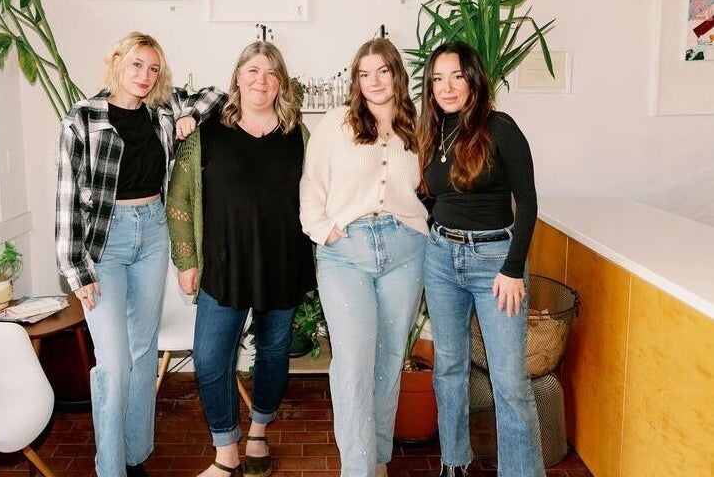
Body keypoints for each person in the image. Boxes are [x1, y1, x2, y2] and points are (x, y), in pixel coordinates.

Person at [55, 31, 224, 477]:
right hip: (103, 243)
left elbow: (217, 95)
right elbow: (68, 196)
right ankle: (110, 468)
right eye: (135, 65)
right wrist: (77, 268)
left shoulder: (163, 110)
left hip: (152, 232)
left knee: (143, 350)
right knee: (113, 362)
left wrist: (190, 118)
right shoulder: (83, 118)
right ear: (117, 63)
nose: (144, 76)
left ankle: (135, 455)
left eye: (153, 68)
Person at [166, 41, 316, 477]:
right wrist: (186, 259)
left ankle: (258, 433)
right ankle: (224, 450)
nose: (261, 80)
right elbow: (178, 198)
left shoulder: (298, 136)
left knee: (271, 352)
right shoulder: (206, 133)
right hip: (223, 264)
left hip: (281, 261)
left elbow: (317, 194)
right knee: (211, 357)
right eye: (252, 70)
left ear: (280, 84)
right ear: (237, 77)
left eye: (271, 73)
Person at [299, 38, 428, 477]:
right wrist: (324, 231)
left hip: (405, 251)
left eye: (383, 71)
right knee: (352, 363)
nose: (373, 81)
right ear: (356, 79)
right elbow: (311, 185)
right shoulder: (336, 123)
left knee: (390, 359)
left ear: (397, 74)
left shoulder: (420, 125)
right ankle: (357, 469)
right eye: (364, 73)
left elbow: (433, 188)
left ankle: (377, 459)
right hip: (346, 252)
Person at [417, 41, 543, 477]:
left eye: (456, 76)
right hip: (441, 258)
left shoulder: (500, 127)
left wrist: (512, 268)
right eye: (437, 78)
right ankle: (454, 463)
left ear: (474, 78)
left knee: (509, 383)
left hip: (495, 261)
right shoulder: (433, 131)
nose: (446, 87)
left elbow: (526, 203)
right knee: (448, 369)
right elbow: (433, 197)